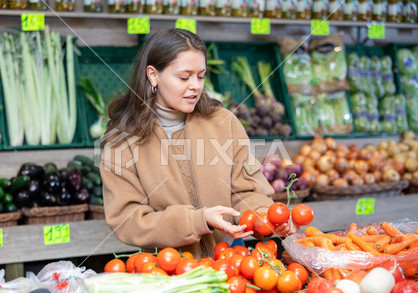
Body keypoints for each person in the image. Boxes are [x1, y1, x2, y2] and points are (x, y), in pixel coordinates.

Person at [100, 28, 299, 259]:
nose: (195, 86)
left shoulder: (224, 122)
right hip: (168, 267)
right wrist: (197, 220)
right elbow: (128, 220)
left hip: (231, 260)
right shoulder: (122, 141)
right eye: (184, 77)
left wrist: (264, 217)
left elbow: (245, 190)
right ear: (153, 75)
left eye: (200, 76)